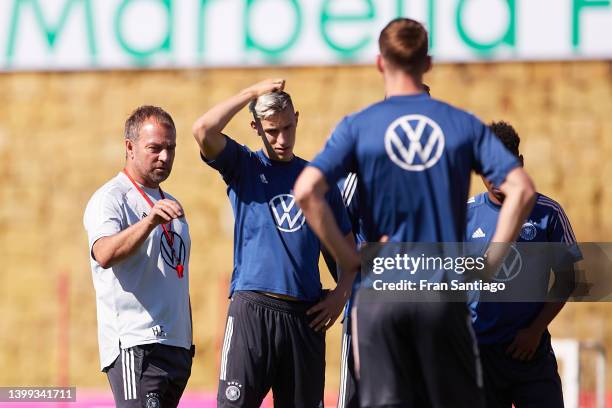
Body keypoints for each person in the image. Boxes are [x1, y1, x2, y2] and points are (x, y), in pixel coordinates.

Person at [294, 18, 536, 408]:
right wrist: (490, 264)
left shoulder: (359, 126)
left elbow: (306, 191)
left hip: (382, 291)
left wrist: (349, 259)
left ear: (379, 63)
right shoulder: (462, 125)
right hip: (440, 292)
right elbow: (522, 190)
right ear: (428, 63)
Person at [192, 79, 354, 407]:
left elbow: (349, 253)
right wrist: (250, 94)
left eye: (288, 128)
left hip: (305, 317)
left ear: (297, 117)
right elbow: (203, 130)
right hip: (252, 309)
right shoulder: (244, 165)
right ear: (255, 127)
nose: (281, 139)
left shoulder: (318, 181)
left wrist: (341, 295)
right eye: (271, 131)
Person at [83, 106, 193, 408]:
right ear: (129, 147)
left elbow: (176, 274)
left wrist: (187, 342)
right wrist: (148, 222)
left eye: (171, 148)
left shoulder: (171, 202)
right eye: (155, 148)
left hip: (177, 348)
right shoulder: (111, 198)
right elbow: (104, 253)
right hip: (138, 344)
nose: (165, 157)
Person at [466, 121, 582, 408]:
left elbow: (568, 279)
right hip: (481, 356)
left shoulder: (547, 213)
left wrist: (534, 331)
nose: (494, 176)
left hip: (531, 354)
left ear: (518, 163)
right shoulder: (465, 215)